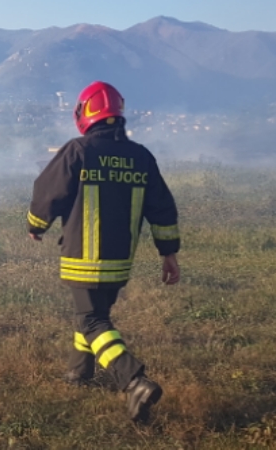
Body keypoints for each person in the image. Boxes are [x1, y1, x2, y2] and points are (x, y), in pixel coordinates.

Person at [27, 81, 181, 423]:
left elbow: (47, 191)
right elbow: (162, 207)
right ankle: (78, 371)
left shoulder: (78, 150)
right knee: (93, 313)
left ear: (84, 113)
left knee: (92, 320)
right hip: (120, 260)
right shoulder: (141, 156)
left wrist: (36, 224)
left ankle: (134, 381)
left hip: (83, 258)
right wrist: (168, 253)